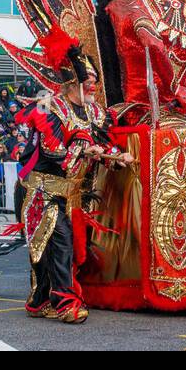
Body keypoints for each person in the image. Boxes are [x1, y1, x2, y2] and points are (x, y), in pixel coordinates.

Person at [11, 27, 132, 323]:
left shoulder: (94, 113)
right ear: (71, 82)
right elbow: (53, 152)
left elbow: (103, 142)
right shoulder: (49, 108)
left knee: (59, 250)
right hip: (42, 189)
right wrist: (83, 148)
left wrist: (116, 157)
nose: (93, 87)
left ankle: (40, 300)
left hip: (72, 194)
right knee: (59, 243)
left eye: (94, 82)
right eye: (88, 82)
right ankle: (64, 302)